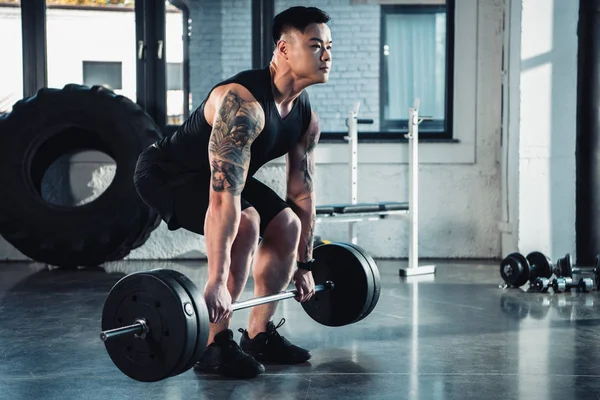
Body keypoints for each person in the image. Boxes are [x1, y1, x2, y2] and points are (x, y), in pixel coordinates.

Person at [133, 6, 332, 379]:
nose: (327, 55)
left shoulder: (306, 118)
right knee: (246, 222)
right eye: (315, 45)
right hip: (166, 173)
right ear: (284, 50)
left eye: (329, 47)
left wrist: (305, 264)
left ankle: (257, 335)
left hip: (220, 174)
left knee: (286, 223)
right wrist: (215, 281)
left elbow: (302, 194)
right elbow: (224, 198)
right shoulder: (242, 105)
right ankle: (215, 345)